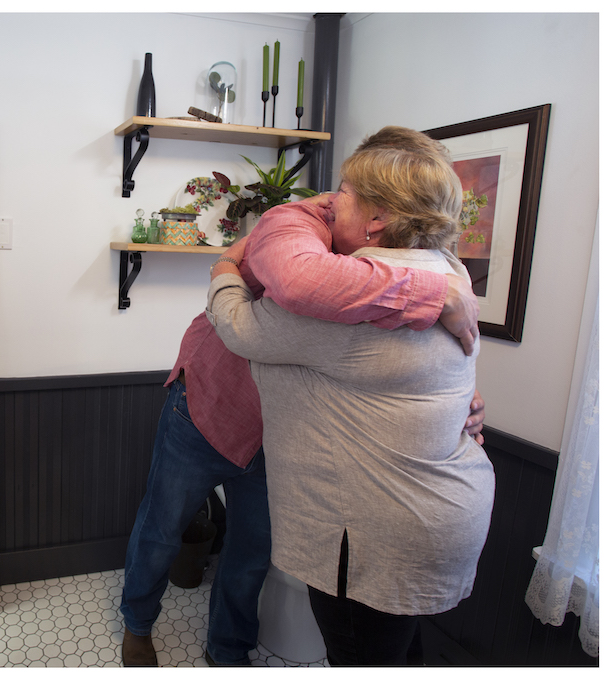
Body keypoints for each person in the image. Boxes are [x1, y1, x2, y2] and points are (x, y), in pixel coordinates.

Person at [119, 130, 486, 667]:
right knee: (160, 527)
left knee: (251, 555)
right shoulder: (295, 233)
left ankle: (227, 651)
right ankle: (137, 623)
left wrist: (459, 398)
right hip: (206, 408)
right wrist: (226, 266)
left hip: (282, 438)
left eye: (347, 190)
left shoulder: (391, 266)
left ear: (381, 217)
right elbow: (292, 283)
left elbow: (414, 361)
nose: (335, 199)